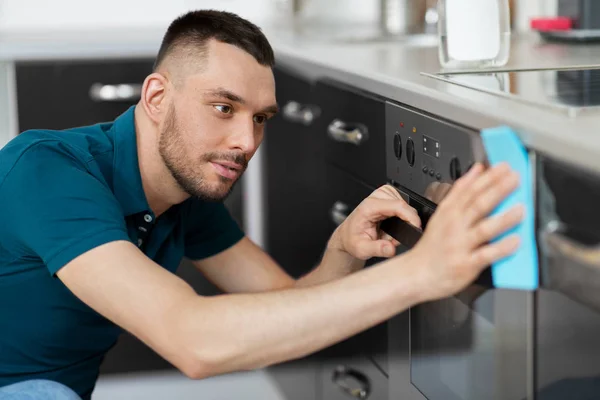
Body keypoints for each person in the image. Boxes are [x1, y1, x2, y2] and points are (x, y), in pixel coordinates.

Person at [0, 9, 524, 400]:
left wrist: (342, 253)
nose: (245, 141)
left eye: (260, 119)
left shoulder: (186, 190)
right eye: (223, 107)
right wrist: (422, 272)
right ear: (157, 99)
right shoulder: (49, 171)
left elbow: (284, 306)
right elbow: (192, 341)